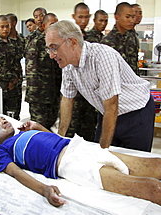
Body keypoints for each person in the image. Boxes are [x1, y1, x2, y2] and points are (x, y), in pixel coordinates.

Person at [0, 114, 161, 215]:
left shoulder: (26, 130)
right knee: (150, 187)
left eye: (3, 118)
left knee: (157, 163)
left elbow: (57, 139)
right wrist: (43, 189)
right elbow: (16, 174)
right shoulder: (1, 151)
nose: (4, 121)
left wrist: (38, 127)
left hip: (81, 147)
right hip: (69, 164)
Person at [46, 20, 154, 151]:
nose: (51, 55)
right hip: (107, 112)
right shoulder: (68, 65)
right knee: (103, 162)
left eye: (54, 47)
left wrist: (102, 152)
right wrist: (60, 137)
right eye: (48, 49)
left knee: (134, 162)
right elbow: (67, 99)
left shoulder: (102, 57)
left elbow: (112, 105)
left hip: (136, 112)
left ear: (73, 42)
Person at [25, 13, 62, 130]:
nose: (55, 27)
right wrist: (36, 96)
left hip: (53, 93)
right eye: (52, 24)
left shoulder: (57, 43)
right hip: (39, 96)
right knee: (38, 127)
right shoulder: (37, 42)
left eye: (57, 24)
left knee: (50, 125)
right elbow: (32, 71)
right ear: (44, 25)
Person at [67, 2, 96, 142]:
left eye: (86, 17)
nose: (83, 21)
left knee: (89, 132)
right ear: (74, 17)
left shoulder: (94, 38)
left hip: (91, 96)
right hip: (74, 95)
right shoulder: (67, 38)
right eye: (80, 17)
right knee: (71, 133)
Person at [101, 2, 139, 75]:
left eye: (133, 17)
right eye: (127, 17)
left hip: (133, 83)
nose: (131, 20)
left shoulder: (131, 38)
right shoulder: (108, 41)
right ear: (117, 17)